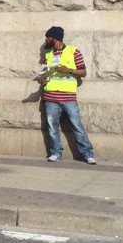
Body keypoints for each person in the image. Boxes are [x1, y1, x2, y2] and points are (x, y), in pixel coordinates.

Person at [38, 25, 96, 165]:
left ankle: (87, 153)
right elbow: (43, 76)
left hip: (68, 98)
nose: (45, 39)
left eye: (48, 37)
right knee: (52, 128)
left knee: (77, 126)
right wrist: (42, 80)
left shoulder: (74, 52)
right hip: (50, 98)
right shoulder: (48, 56)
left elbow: (83, 72)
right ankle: (56, 153)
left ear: (55, 38)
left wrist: (68, 71)